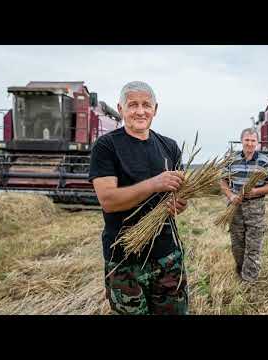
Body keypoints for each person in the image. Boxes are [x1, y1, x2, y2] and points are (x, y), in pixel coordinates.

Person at [88, 81, 189, 315]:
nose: (140, 111)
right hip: (125, 260)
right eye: (132, 105)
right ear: (120, 109)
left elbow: (178, 196)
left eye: (146, 105)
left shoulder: (169, 146)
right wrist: (154, 184)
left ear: (156, 109)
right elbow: (108, 200)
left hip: (168, 255)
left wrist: (179, 204)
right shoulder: (106, 146)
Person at [220, 128, 268, 283]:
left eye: (253, 141)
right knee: (237, 246)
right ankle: (240, 273)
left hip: (255, 208)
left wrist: (256, 191)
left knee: (253, 245)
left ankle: (249, 281)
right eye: (247, 140)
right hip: (235, 208)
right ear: (242, 141)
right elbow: (222, 181)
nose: (250, 143)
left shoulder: (264, 161)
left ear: (257, 143)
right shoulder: (231, 159)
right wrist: (231, 195)